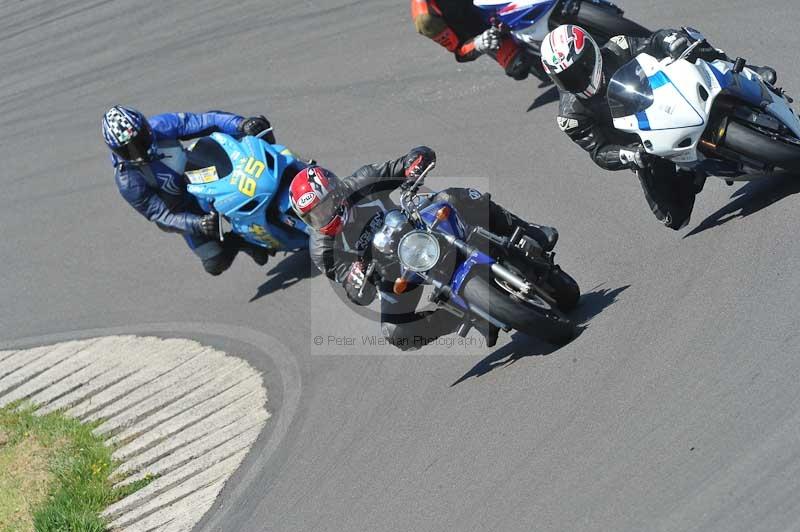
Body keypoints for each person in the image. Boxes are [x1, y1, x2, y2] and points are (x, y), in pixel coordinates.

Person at [289, 147, 560, 350]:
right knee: (396, 333)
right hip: (394, 272)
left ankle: (527, 231)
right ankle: (460, 315)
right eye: (312, 216)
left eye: (323, 208)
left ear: (336, 192)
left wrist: (413, 165)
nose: (321, 219)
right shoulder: (322, 248)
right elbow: (354, 290)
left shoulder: (363, 182)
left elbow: (404, 163)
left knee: (454, 196)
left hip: (419, 230)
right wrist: (357, 281)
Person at [540, 25, 777, 230]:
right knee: (675, 218)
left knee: (692, 46)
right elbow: (598, 151)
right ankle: (692, 170)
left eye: (581, 68)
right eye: (567, 78)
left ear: (591, 52)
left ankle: (750, 74)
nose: (578, 79)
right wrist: (628, 155)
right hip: (645, 143)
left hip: (667, 95)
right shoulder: (571, 116)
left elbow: (653, 40)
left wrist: (668, 40)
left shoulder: (617, 48)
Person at [102, 106, 275, 275]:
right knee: (215, 262)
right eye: (128, 150)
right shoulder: (128, 181)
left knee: (256, 125)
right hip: (182, 208)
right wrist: (196, 224)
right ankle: (240, 240)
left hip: (204, 174)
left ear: (147, 129)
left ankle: (287, 164)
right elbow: (161, 215)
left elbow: (208, 120)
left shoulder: (162, 125)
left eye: (140, 141)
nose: (138, 152)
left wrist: (241, 124)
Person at [410, 0, 546, 81]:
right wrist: (480, 43)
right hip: (489, 31)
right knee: (518, 64)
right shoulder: (426, 18)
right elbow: (460, 51)